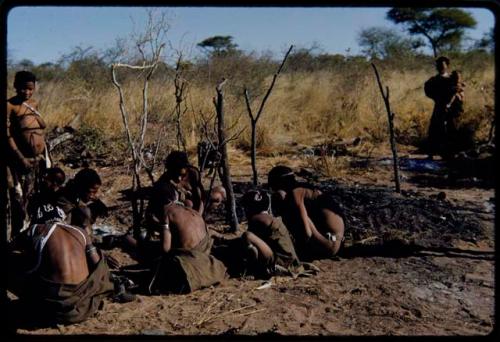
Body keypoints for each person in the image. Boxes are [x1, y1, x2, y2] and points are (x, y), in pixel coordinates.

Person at [6, 203, 131, 325]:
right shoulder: (81, 232)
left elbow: (9, 248)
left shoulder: (35, 229)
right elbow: (97, 264)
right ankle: (115, 285)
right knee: (98, 260)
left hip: (52, 309)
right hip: (82, 307)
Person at [139, 182, 227, 294]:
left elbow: (165, 249)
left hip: (191, 264)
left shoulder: (167, 213)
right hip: (208, 261)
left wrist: (159, 226)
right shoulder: (190, 209)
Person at [7, 71, 50, 240]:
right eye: (23, 88)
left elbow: (39, 128)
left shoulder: (34, 104)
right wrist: (21, 158)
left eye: (30, 89)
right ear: (15, 87)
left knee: (32, 198)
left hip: (36, 161)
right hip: (19, 162)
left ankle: (32, 234)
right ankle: (16, 237)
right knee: (18, 201)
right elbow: (7, 135)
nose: (26, 92)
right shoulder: (10, 105)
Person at [267, 166, 345, 260]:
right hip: (336, 242)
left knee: (293, 213)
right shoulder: (305, 189)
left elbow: (307, 233)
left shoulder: (296, 193)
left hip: (328, 245)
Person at [240, 189, 302, 276]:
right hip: (291, 261)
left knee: (247, 236)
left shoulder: (256, 219)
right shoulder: (271, 218)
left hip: (280, 262)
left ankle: (252, 269)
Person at [424, 56, 465, 160]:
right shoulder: (434, 80)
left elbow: (460, 91)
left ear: (447, 66)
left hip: (452, 108)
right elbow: (429, 91)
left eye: (442, 65)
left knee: (452, 128)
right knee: (435, 128)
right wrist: (438, 98)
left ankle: (450, 153)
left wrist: (456, 97)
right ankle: (432, 152)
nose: (440, 67)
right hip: (439, 106)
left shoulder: (453, 78)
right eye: (438, 65)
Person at [55, 168, 108, 236]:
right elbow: (66, 225)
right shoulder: (64, 198)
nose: (92, 196)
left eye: (95, 192)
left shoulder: (76, 195)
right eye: (91, 192)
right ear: (81, 187)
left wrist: (99, 203)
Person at [154, 151, 205, 215]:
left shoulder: (193, 174)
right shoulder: (166, 178)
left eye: (182, 175)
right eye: (175, 174)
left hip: (195, 209)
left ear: (186, 167)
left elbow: (201, 198)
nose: (179, 178)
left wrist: (199, 216)